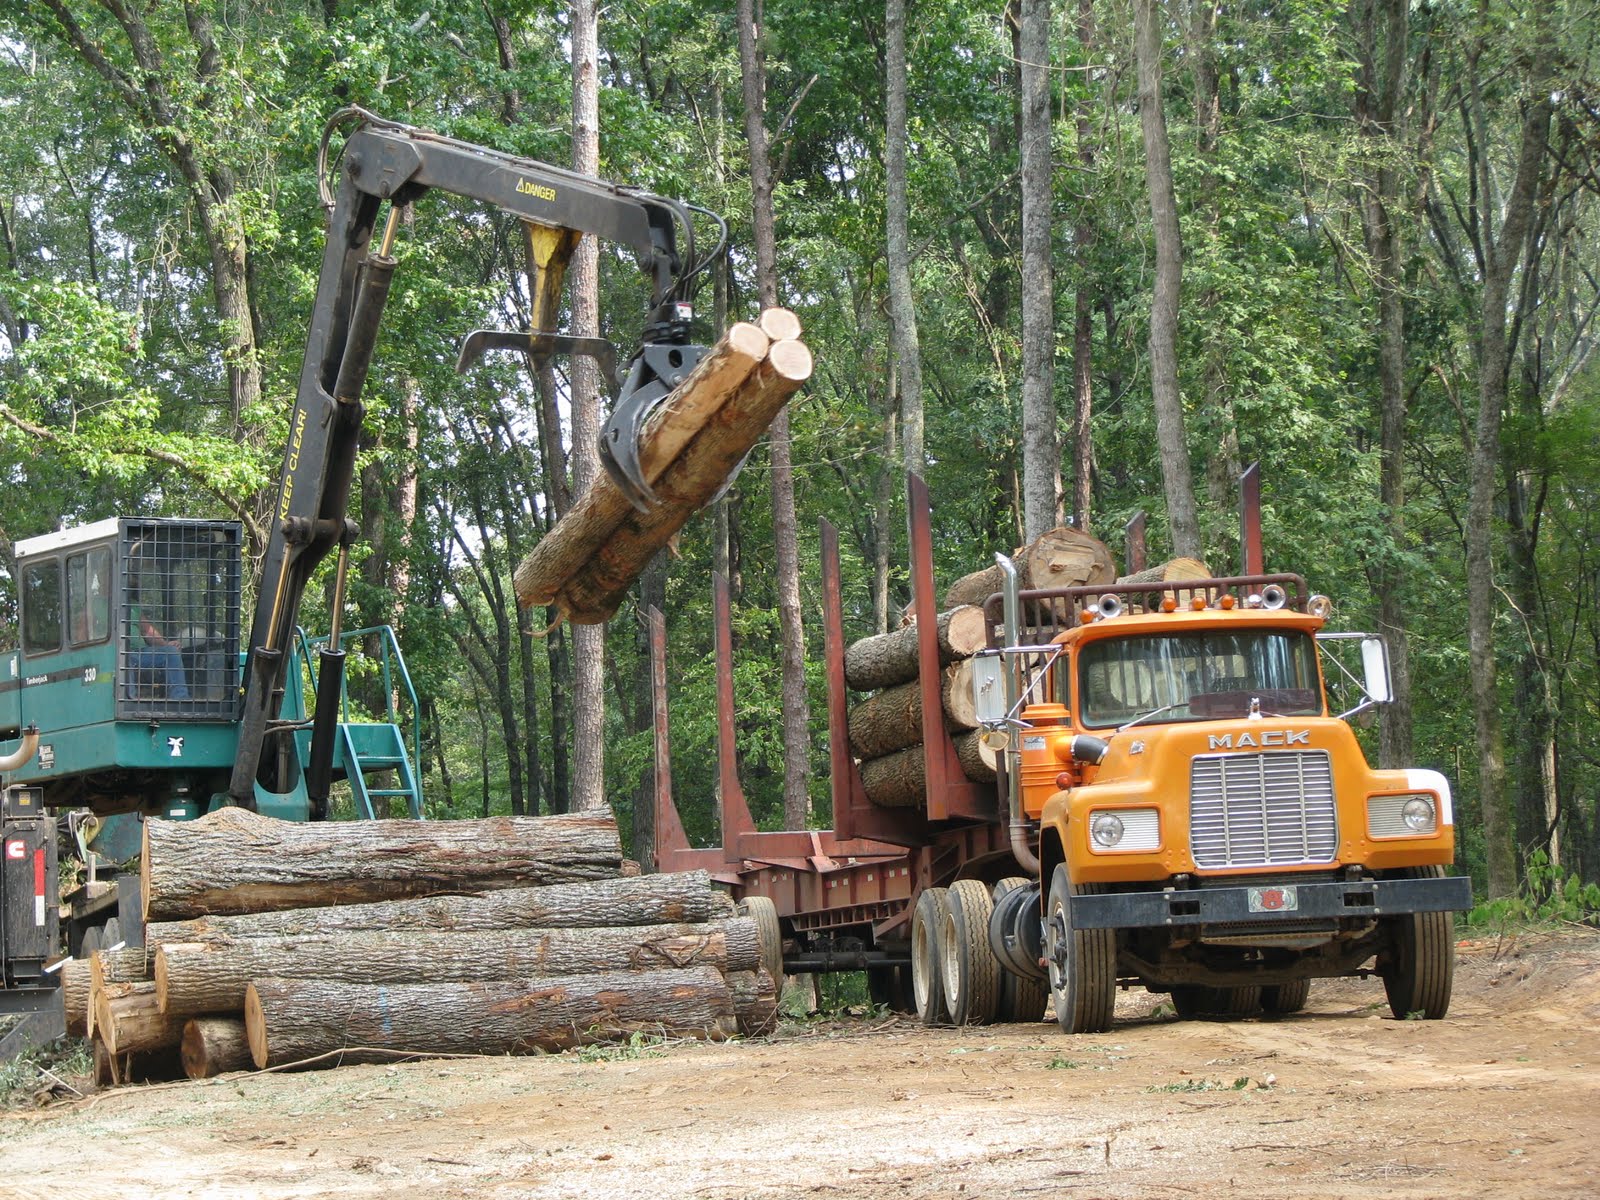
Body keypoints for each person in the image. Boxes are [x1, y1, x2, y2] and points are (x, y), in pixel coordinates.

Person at [132, 613, 190, 700]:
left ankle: (180, 698)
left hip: (141, 652)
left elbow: (147, 631)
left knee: (171, 652)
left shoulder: (134, 608)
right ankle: (129, 699)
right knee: (123, 660)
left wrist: (166, 644)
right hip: (120, 652)